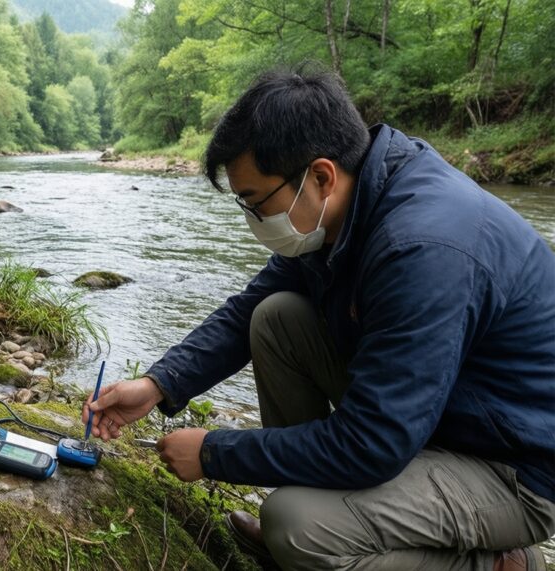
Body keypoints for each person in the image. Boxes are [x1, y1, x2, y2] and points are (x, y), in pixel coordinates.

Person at [83, 68, 555, 570]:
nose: (253, 220)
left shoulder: (423, 248)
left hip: (511, 466)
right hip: (433, 419)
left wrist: (214, 453)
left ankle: (501, 563)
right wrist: (158, 384)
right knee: (275, 317)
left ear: (321, 175)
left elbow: (374, 441)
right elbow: (246, 311)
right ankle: (342, 518)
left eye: (255, 201)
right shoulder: (342, 209)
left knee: (296, 525)